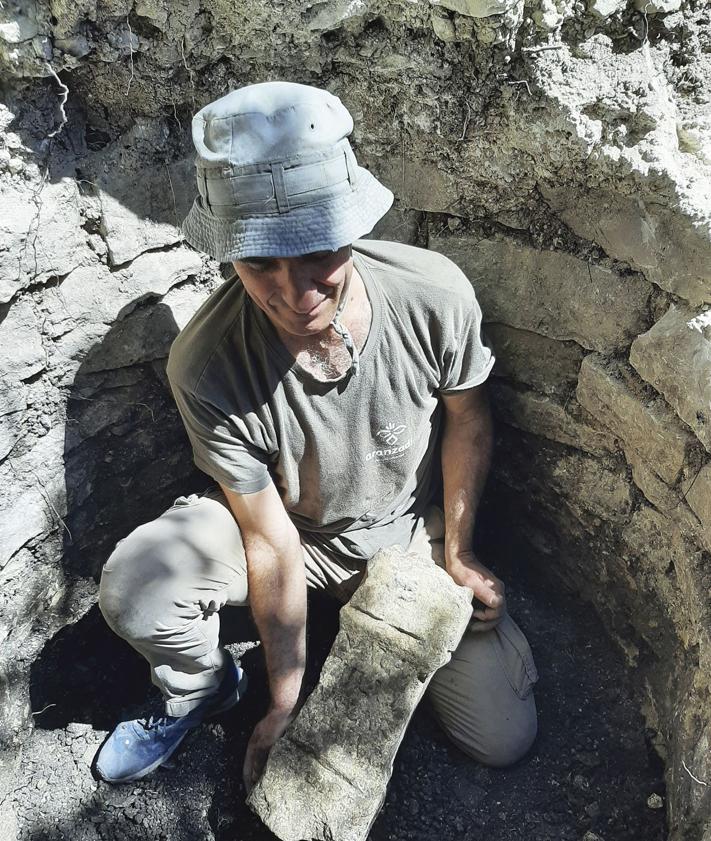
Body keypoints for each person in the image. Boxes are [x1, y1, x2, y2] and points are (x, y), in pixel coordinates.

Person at [95, 81, 538, 790]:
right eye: (259, 261)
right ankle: (204, 685)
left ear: (352, 229)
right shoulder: (207, 362)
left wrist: (458, 550)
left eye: (316, 254)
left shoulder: (433, 295)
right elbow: (268, 539)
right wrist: (283, 700)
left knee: (501, 737)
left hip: (402, 541)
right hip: (283, 533)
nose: (292, 291)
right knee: (139, 583)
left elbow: (468, 418)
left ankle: (392, 627)